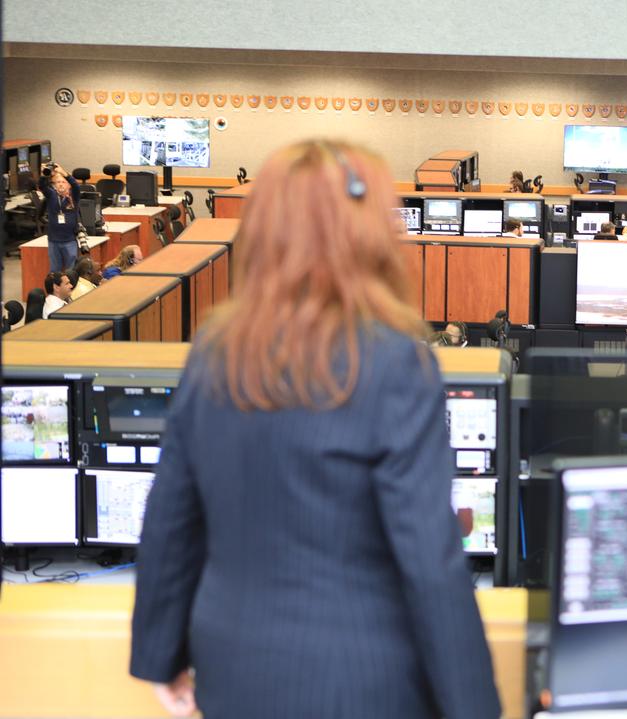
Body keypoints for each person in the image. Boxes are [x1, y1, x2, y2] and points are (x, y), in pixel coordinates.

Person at [128, 140, 500, 719]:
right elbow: (430, 557)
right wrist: (475, 706)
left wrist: (158, 656)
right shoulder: (396, 361)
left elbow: (170, 518)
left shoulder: (216, 352)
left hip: (232, 668)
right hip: (364, 678)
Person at [38, 163, 81, 273]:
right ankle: (55, 290)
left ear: (68, 185)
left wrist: (64, 173)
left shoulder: (74, 196)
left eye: (63, 182)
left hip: (70, 240)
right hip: (54, 240)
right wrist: (44, 174)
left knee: (71, 271)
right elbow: (42, 186)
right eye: (58, 182)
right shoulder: (51, 195)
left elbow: (76, 185)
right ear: (54, 185)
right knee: (54, 271)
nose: (61, 185)